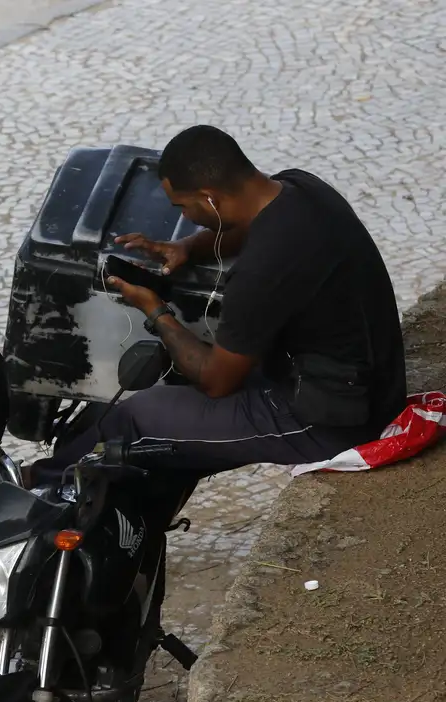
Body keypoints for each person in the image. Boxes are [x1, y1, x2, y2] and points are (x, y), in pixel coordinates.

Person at [26, 124, 406, 487]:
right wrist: (188, 247)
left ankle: (37, 489)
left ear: (210, 197)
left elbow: (216, 381)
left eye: (183, 207)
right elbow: (242, 228)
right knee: (170, 381)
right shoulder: (299, 187)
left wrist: (154, 309)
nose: (184, 217)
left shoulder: (263, 270)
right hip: (364, 380)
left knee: (134, 417)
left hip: (331, 420)